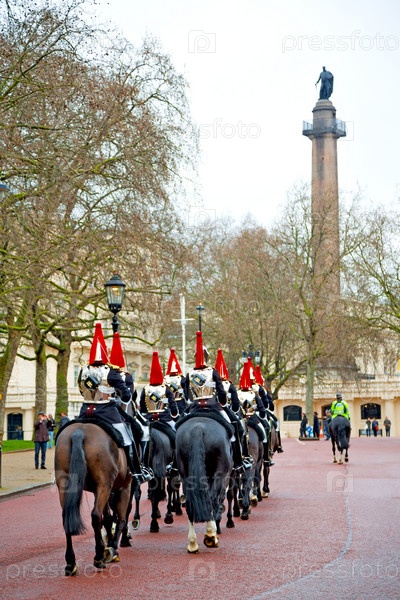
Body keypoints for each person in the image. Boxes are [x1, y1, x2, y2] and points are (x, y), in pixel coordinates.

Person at [77, 323, 152, 485]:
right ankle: (136, 472)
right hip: (106, 413)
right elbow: (126, 395)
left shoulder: (83, 370)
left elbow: (81, 391)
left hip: (84, 412)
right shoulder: (110, 371)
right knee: (128, 439)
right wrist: (117, 398)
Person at [184, 331, 252, 474]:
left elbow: (187, 396)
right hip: (214, 408)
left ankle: (174, 464)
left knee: (178, 431)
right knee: (236, 427)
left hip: (194, 409)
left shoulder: (189, 374)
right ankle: (238, 462)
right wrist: (222, 402)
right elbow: (221, 393)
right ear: (207, 358)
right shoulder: (213, 372)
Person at [164, 348, 188, 414]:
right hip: (180, 403)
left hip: (168, 405)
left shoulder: (165, 379)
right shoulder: (182, 378)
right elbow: (186, 393)